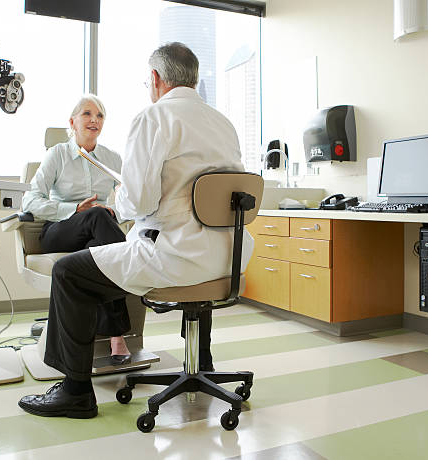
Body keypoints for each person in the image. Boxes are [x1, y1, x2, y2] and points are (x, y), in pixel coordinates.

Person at [18, 42, 253, 419]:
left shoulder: (153, 118)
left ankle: (76, 391)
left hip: (175, 257)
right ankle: (202, 362)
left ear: (156, 79)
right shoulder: (221, 122)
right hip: (227, 257)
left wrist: (119, 197)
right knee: (178, 250)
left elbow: (139, 202)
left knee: (68, 273)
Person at [21, 94, 131, 363]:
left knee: (99, 240)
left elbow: (131, 200)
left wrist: (114, 211)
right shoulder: (57, 155)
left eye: (100, 115)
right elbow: (30, 200)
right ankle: (119, 329)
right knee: (96, 216)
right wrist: (73, 210)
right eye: (87, 114)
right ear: (73, 121)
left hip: (98, 232)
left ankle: (112, 335)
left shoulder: (112, 159)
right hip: (59, 231)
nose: (94, 120)